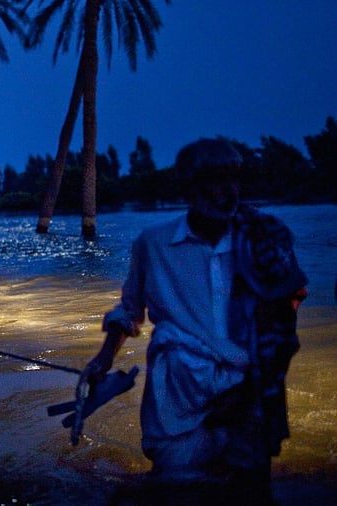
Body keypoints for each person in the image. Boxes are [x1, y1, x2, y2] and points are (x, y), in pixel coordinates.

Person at [83, 138, 308, 496]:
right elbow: (129, 310)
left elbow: (285, 321)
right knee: (175, 485)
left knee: (250, 490)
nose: (228, 190)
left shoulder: (265, 240)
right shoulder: (152, 245)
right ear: (186, 188)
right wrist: (102, 359)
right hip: (179, 391)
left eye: (234, 179)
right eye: (214, 180)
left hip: (249, 391)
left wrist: (249, 391)